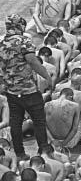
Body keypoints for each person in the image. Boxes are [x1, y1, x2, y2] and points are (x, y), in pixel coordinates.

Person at [0, 15, 53, 159]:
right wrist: (47, 77)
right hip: (28, 90)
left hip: (12, 91)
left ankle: (20, 153)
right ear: (20, 26)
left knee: (15, 123)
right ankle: (43, 152)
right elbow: (32, 61)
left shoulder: (2, 43)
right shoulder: (23, 41)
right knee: (39, 122)